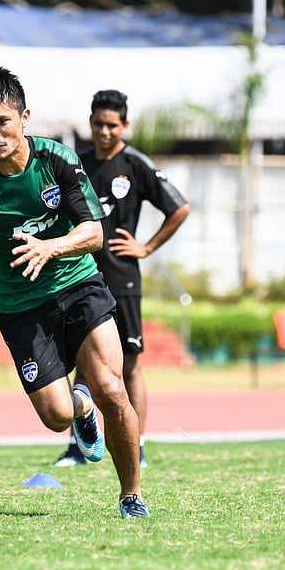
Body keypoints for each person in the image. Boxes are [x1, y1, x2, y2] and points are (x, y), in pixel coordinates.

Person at [0, 66, 149, 518]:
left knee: (110, 387)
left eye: (2, 121)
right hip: (20, 305)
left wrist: (50, 247)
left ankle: (131, 496)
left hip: (78, 285)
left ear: (24, 117)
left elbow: (93, 233)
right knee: (56, 416)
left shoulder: (56, 161)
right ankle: (79, 409)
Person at [53, 90, 190, 469]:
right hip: (80, 278)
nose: (104, 131)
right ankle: (77, 449)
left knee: (129, 367)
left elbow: (180, 209)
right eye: (98, 124)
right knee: (83, 363)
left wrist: (146, 247)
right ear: (90, 123)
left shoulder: (136, 164)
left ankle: (137, 447)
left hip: (123, 280)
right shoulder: (75, 163)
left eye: (112, 125)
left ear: (124, 126)